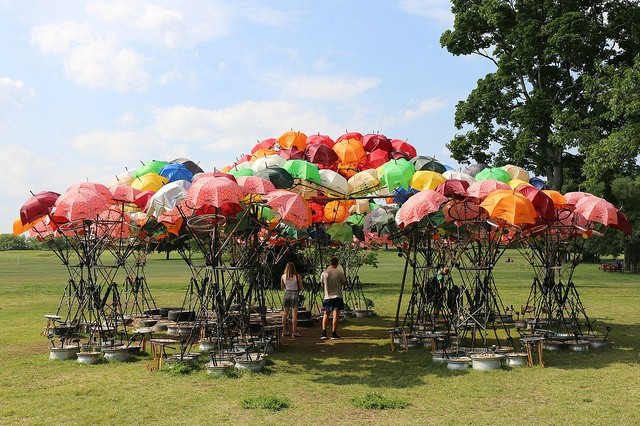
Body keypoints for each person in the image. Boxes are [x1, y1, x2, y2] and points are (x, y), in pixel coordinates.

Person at [320, 256, 347, 340]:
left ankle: (324, 333)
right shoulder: (340, 272)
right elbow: (345, 283)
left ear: (330, 263)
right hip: (337, 295)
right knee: (336, 315)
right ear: (337, 263)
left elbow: (322, 284)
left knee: (326, 314)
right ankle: (333, 333)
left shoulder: (324, 273)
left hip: (327, 296)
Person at [281, 262, 303, 337]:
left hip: (287, 294)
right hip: (295, 294)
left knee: (285, 313)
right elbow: (300, 287)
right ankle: (294, 331)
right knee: (294, 314)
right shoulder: (297, 276)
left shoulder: (283, 276)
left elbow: (282, 287)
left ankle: (284, 331)